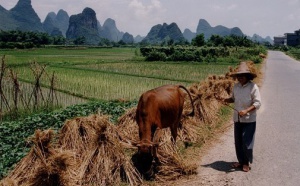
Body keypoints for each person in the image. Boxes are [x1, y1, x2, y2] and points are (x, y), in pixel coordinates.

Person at [217, 62, 261, 172]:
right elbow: (233, 99)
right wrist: (224, 100)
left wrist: (246, 110)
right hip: (237, 119)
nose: (240, 78)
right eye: (238, 76)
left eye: (242, 76)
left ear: (247, 76)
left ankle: (246, 163)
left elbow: (257, 103)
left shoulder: (253, 87)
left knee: (247, 142)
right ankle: (241, 161)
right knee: (238, 142)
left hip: (249, 120)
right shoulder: (236, 87)